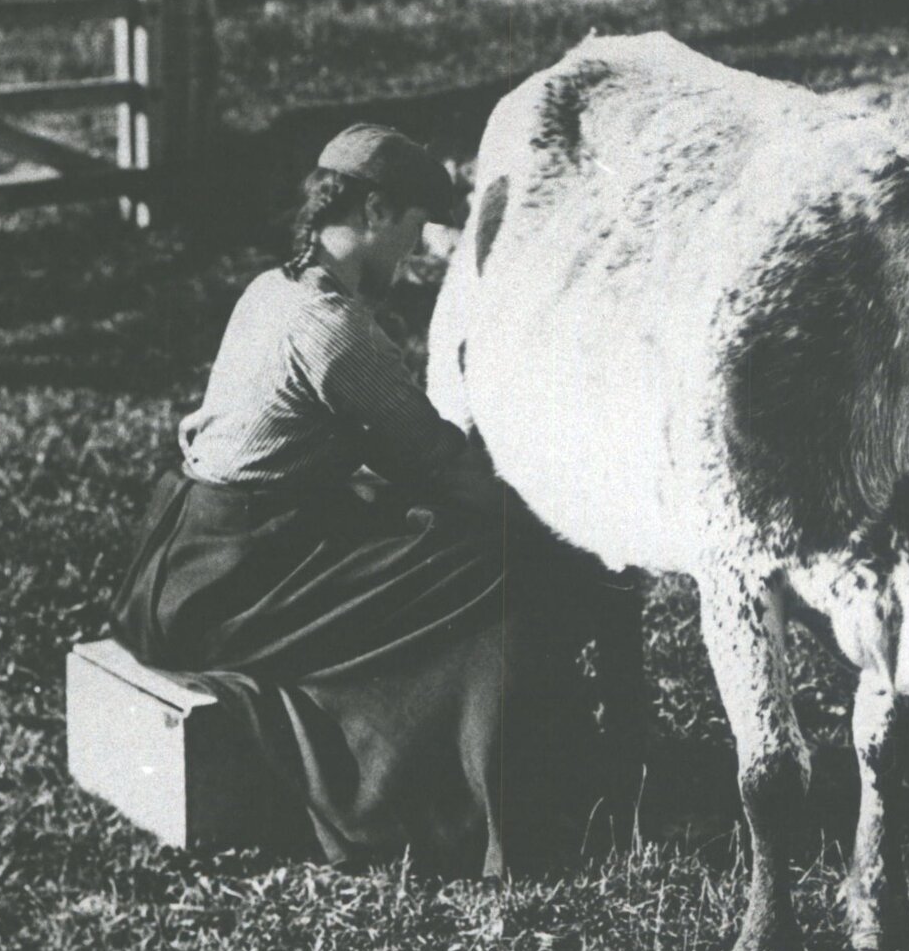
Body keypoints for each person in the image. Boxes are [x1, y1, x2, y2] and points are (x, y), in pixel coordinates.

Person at [109, 123, 642, 876]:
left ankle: (480, 759)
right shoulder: (333, 326)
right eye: (414, 231)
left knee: (419, 532)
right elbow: (441, 465)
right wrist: (561, 510)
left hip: (173, 560)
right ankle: (476, 797)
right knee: (494, 564)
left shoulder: (274, 288)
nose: (414, 253)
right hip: (233, 584)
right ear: (374, 214)